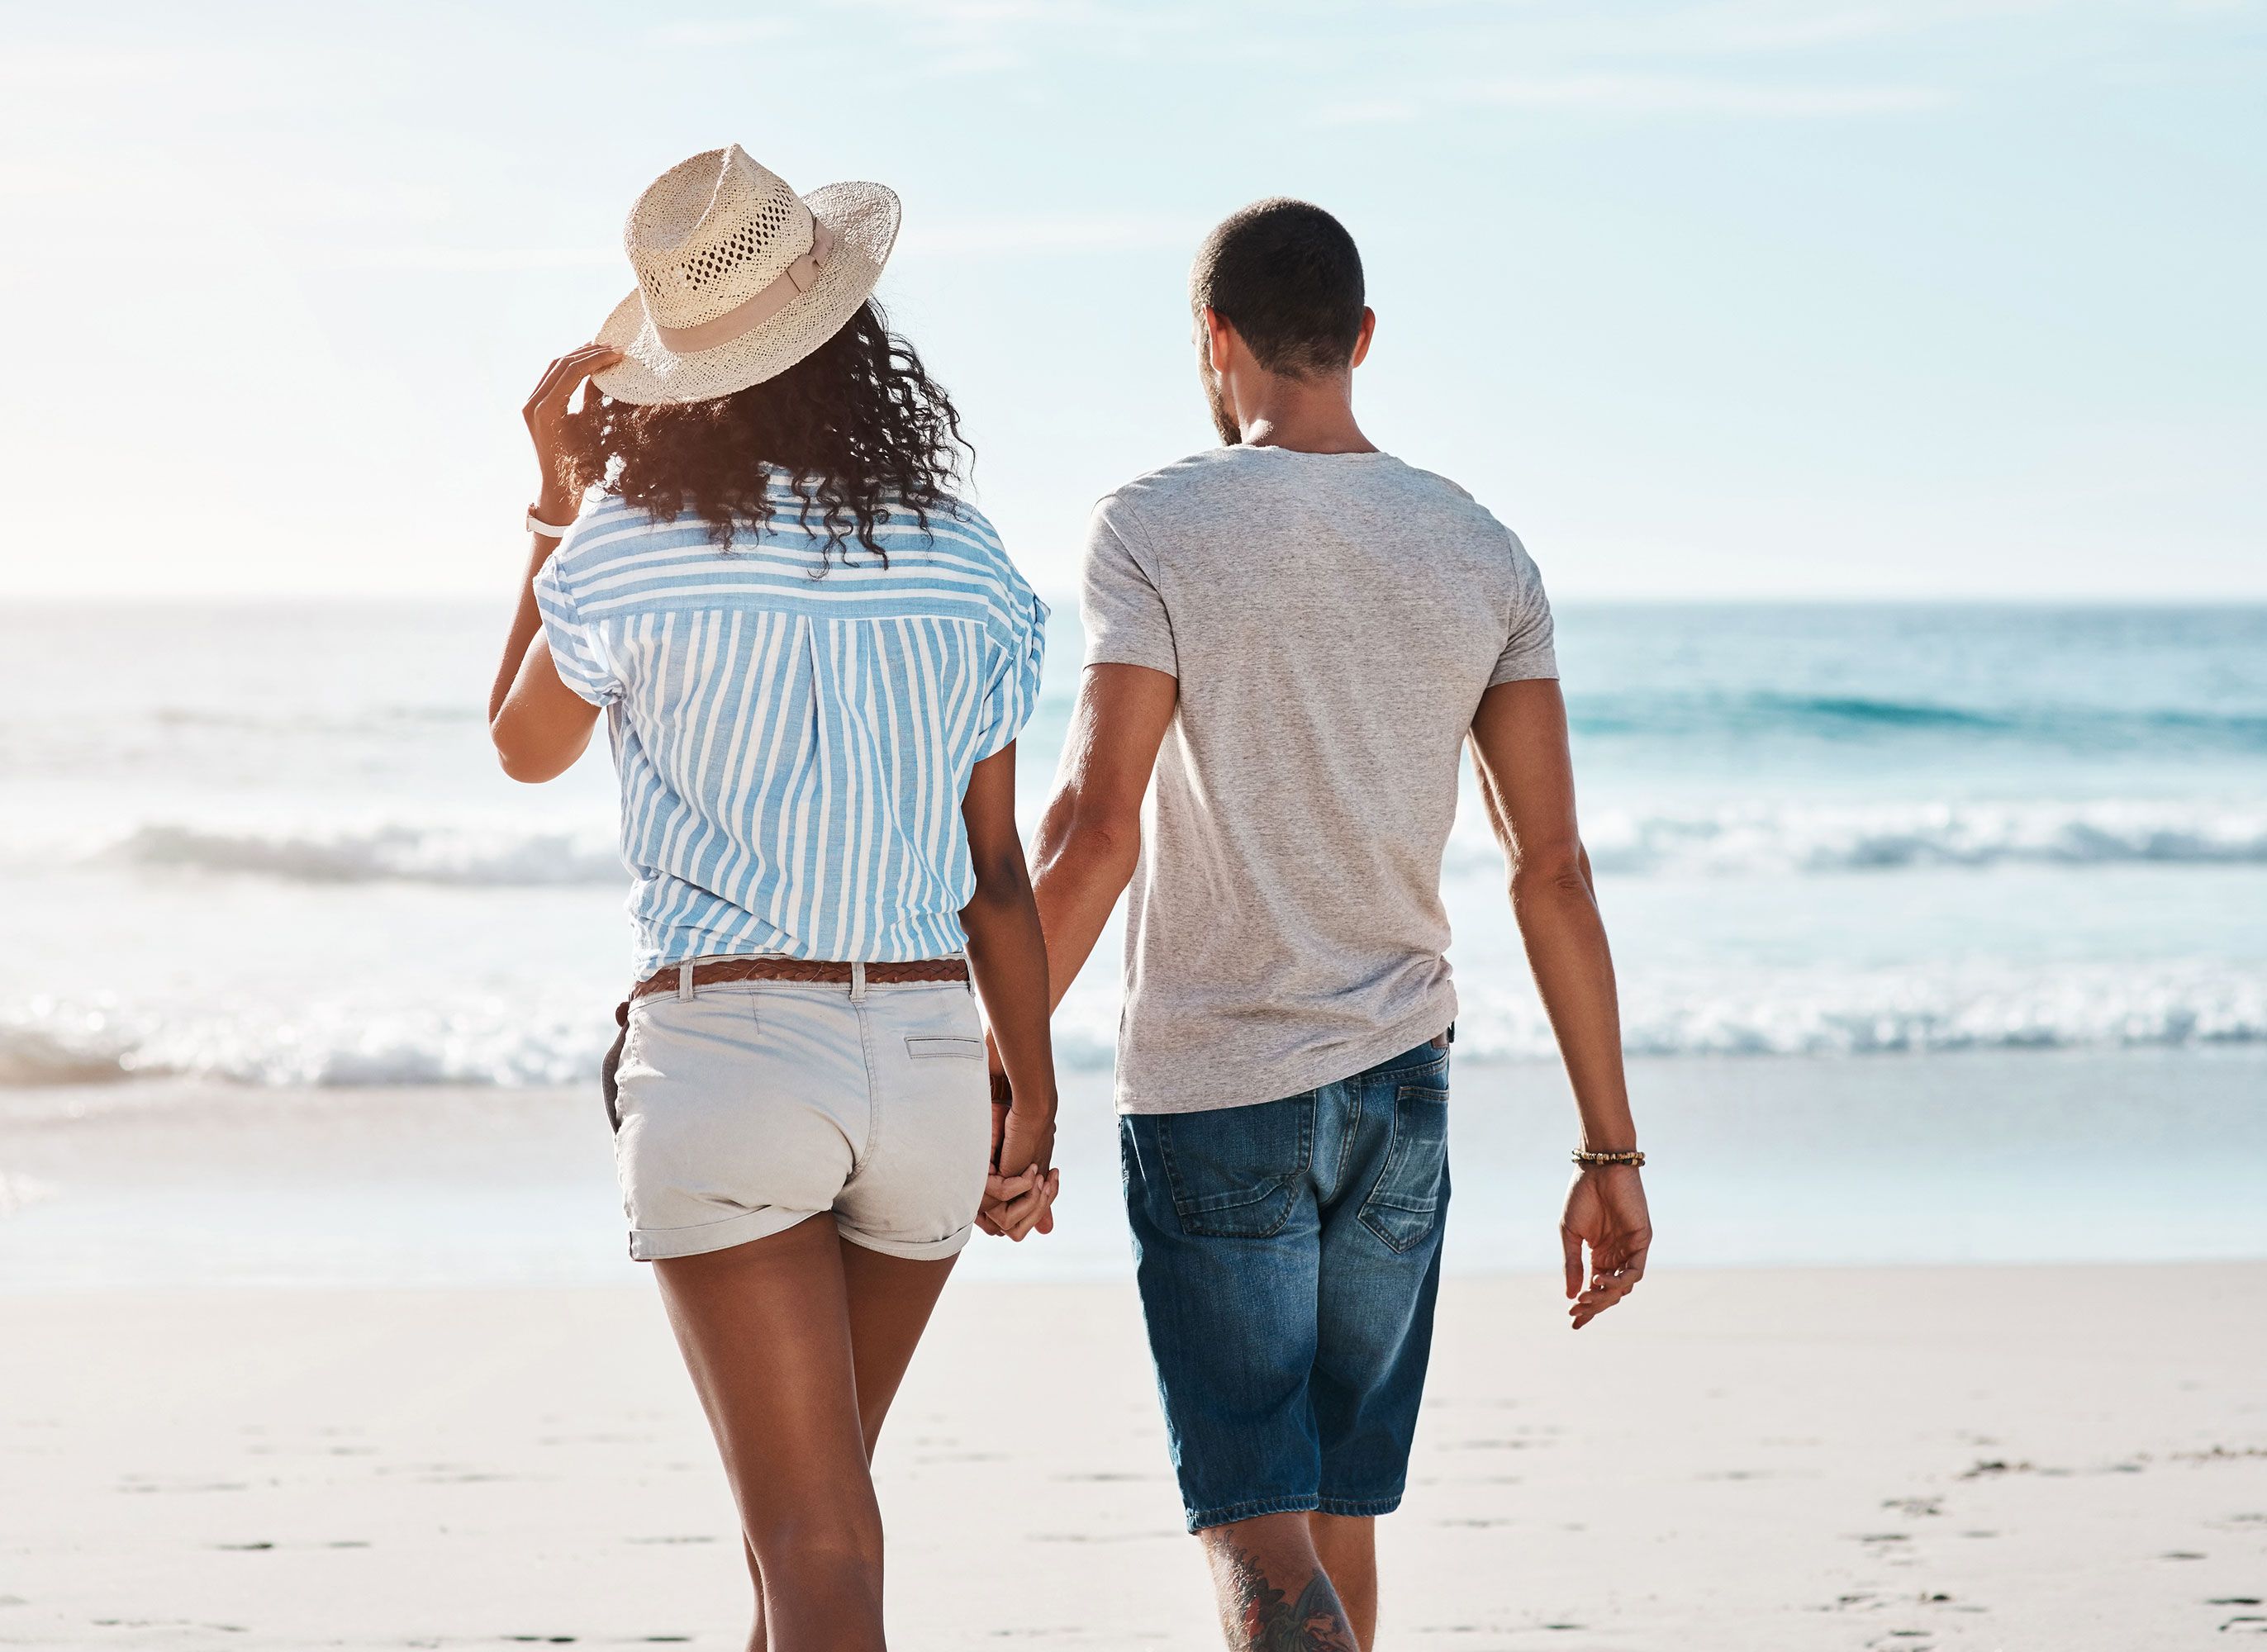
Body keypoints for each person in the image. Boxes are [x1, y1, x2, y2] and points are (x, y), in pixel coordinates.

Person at [1017, 198, 1653, 1651]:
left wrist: (999, 1059)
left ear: (1213, 339)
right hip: (1400, 1092)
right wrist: (1608, 1150)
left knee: (1255, 1520)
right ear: (1362, 341)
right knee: (1337, 1512)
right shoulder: (1481, 549)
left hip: (1218, 1084)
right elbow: (1550, 867)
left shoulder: (1157, 523)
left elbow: (1095, 825)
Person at [485, 145, 1061, 1652]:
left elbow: (522, 749)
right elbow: (998, 874)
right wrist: (1037, 1108)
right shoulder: (967, 560)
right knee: (811, 1543)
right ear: (854, 339)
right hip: (937, 1069)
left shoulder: (626, 545)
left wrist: (552, 506)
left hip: (731, 1058)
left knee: (813, 1551)